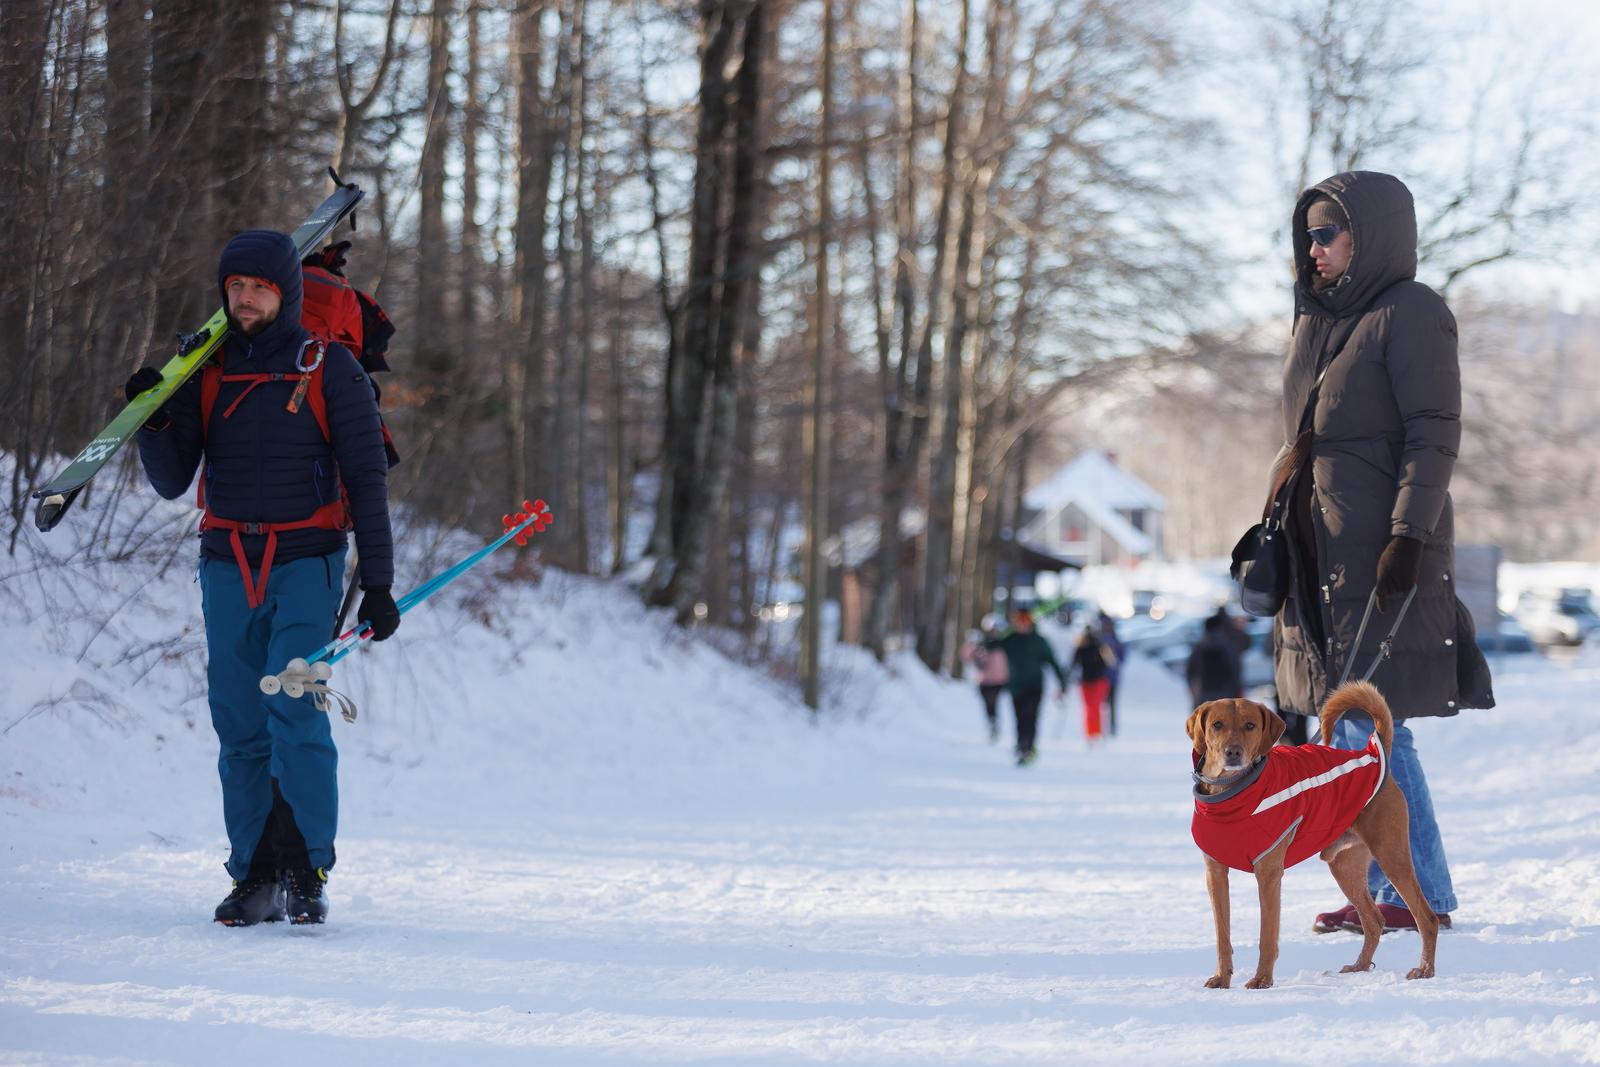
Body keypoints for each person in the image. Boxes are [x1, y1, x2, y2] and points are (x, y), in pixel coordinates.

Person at [126, 230, 400, 926]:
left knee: (293, 703)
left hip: (307, 562)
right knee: (239, 719)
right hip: (225, 565)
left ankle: (306, 868)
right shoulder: (207, 368)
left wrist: (379, 583)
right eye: (235, 287)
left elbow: (367, 481)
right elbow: (170, 479)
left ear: (287, 291)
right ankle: (252, 870)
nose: (244, 299)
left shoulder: (329, 367)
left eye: (259, 287)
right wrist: (153, 417)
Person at [1269, 173, 1494, 936]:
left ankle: (1416, 891)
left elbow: (1435, 433)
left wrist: (1406, 534)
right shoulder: (1317, 320)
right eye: (1309, 235)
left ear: (1368, 239)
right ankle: (1400, 887)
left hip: (1383, 554)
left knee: (1367, 724)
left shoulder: (1413, 313)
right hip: (1320, 554)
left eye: (1328, 234)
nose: (1315, 248)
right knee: (1353, 727)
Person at [986, 609, 1067, 766]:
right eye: (1020, 622)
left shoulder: (1039, 641)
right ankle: (1021, 744)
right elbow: (991, 646)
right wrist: (995, 635)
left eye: (1026, 622)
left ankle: (1028, 747)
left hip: (1035, 686)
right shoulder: (1010, 640)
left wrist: (1062, 682)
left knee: (1031, 717)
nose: (1023, 625)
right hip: (1016, 686)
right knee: (1019, 717)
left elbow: (1052, 661)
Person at [959, 615, 1009, 743]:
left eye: (996, 630)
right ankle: (992, 723)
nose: (994, 632)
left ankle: (994, 722)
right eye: (992, 629)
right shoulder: (980, 644)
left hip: (999, 680)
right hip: (984, 680)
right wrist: (970, 644)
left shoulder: (1004, 644)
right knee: (988, 704)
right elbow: (966, 656)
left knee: (993, 702)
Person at [1186, 608, 1244, 705]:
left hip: (1204, 693)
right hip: (1226, 694)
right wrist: (1238, 690)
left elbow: (1191, 670)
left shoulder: (1200, 645)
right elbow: (1235, 669)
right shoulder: (1228, 645)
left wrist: (1192, 689)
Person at [1069, 625, 1112, 742]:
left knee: (1094, 707)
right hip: (1086, 682)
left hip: (1098, 681)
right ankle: (1090, 733)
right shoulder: (1081, 648)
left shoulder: (1100, 646)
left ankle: (1096, 732)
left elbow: (1110, 662)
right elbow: (1073, 664)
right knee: (1090, 708)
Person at [1097, 611, 1125, 736]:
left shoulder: (1112, 640)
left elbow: (1122, 657)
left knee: (1109, 704)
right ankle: (1102, 728)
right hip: (1102, 677)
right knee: (1102, 704)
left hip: (1110, 677)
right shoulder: (1101, 639)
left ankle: (1110, 727)